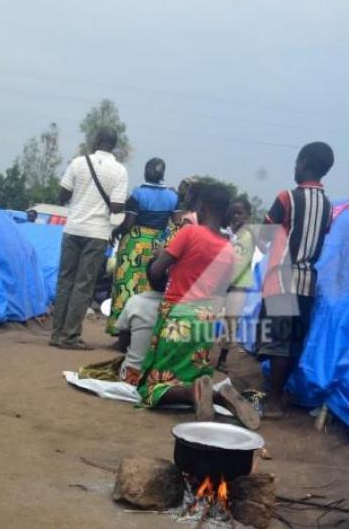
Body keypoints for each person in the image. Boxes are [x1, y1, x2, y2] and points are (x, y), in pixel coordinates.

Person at [138, 184, 260, 430]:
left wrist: (161, 266)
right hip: (205, 321)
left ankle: (194, 394)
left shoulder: (189, 233)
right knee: (192, 373)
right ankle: (219, 393)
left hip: (177, 314)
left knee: (152, 388)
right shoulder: (228, 249)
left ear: (202, 207)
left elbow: (157, 269)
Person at [257, 142, 334, 419]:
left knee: (277, 341)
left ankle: (273, 401)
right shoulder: (327, 206)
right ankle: (279, 395)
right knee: (293, 343)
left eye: (296, 163)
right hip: (307, 282)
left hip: (282, 279)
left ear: (303, 163)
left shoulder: (287, 198)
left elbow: (265, 236)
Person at [50, 127, 128, 350]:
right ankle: (70, 336)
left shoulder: (77, 162)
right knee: (83, 285)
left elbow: (63, 195)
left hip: (73, 228)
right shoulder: (120, 171)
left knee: (65, 280)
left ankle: (56, 335)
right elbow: (116, 206)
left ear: (97, 140)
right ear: (113, 145)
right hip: (96, 233)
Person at [106, 157, 178, 336]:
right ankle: (146, 333)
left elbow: (128, 224)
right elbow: (176, 222)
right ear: (163, 174)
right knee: (149, 288)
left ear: (146, 171)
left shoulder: (137, 194)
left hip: (134, 244)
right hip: (157, 246)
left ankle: (122, 331)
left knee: (126, 287)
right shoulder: (173, 197)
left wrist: (115, 232)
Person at [217, 196, 256, 373]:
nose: (236, 217)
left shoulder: (250, 235)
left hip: (238, 284)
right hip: (223, 282)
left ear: (248, 215)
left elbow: (260, 250)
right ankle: (203, 354)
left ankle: (222, 359)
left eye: (240, 213)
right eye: (233, 213)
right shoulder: (227, 233)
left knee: (231, 322)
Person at [114, 260, 168, 386]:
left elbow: (123, 344)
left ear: (147, 277)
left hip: (131, 376)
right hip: (164, 379)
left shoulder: (135, 301)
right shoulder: (179, 307)